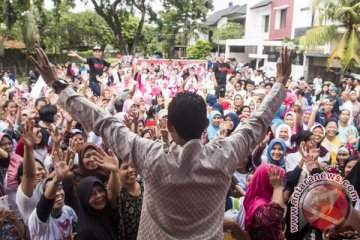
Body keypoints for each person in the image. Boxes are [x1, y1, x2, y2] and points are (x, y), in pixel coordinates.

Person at [30, 46, 292, 239]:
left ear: (169, 126)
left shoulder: (151, 157)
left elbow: (104, 122)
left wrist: (58, 85)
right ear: (205, 127)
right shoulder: (224, 155)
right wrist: (280, 83)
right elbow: (257, 123)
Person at [243, 164, 286, 240]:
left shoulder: (266, 198)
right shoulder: (258, 204)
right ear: (265, 181)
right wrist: (277, 187)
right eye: (277, 180)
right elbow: (274, 216)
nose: (281, 183)